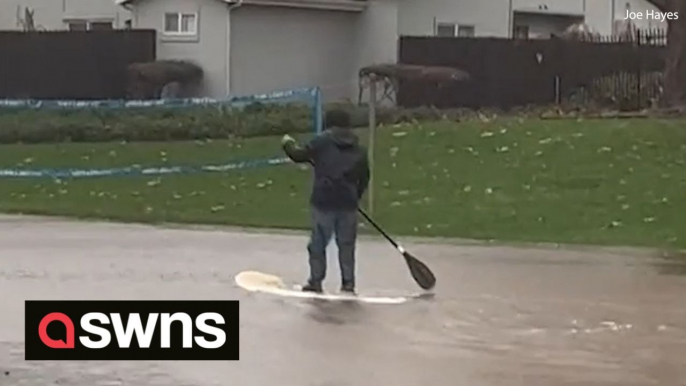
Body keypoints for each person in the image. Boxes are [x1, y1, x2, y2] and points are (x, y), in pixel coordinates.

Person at [281, 110, 370, 294]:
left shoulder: (321, 142)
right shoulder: (359, 149)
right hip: (348, 203)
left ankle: (316, 281)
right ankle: (348, 283)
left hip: (323, 201)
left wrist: (288, 143)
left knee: (318, 244)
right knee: (346, 245)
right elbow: (365, 177)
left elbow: (299, 155)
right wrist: (356, 196)